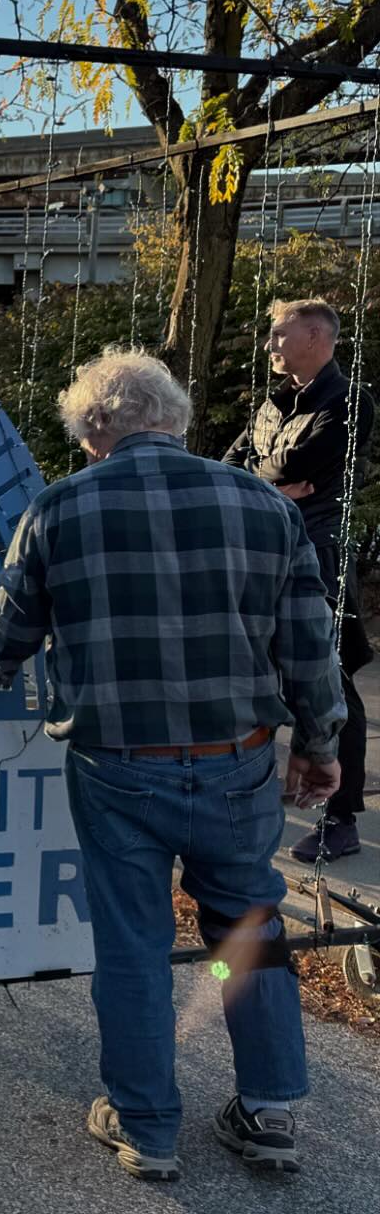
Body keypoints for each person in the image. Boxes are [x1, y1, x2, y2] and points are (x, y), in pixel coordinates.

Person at [0, 349, 344, 1181]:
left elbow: (4, 638)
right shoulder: (262, 505)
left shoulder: (60, 509)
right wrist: (321, 745)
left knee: (133, 942)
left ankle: (147, 1127)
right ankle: (269, 1110)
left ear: (94, 433)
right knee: (246, 928)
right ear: (174, 420)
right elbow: (310, 645)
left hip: (117, 766)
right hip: (237, 761)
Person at [224, 298, 373, 863]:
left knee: (332, 679)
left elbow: (293, 467)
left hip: (321, 554)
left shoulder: (350, 400)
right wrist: (274, 482)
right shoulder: (270, 403)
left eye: (280, 335)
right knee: (252, 665)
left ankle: (342, 818)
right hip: (265, 548)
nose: (271, 346)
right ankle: (256, 788)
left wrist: (272, 475)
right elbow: (228, 464)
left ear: (316, 337)